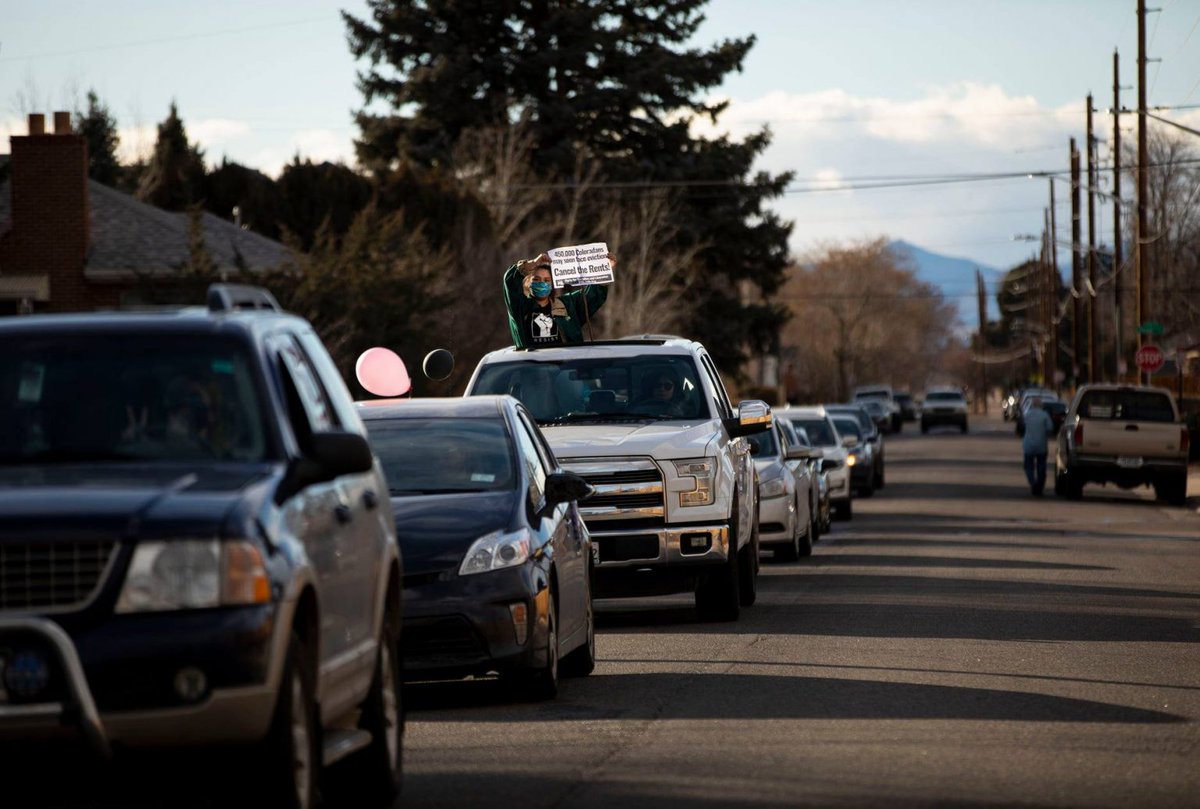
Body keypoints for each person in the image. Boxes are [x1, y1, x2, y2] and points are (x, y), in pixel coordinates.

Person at [503, 252, 613, 349]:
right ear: (528, 282)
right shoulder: (520, 307)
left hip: (565, 369)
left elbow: (594, 294)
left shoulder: (568, 305)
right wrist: (532, 264)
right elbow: (510, 281)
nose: (542, 283)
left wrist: (605, 269)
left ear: (553, 284)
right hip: (534, 369)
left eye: (547, 280)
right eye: (536, 279)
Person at [1021, 396, 1055, 496]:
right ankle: (1039, 486)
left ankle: (1033, 482)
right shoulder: (1044, 415)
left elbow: (1022, 425)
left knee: (1028, 466)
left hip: (1028, 445)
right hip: (1041, 445)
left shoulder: (1027, 414)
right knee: (1041, 467)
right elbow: (1050, 428)